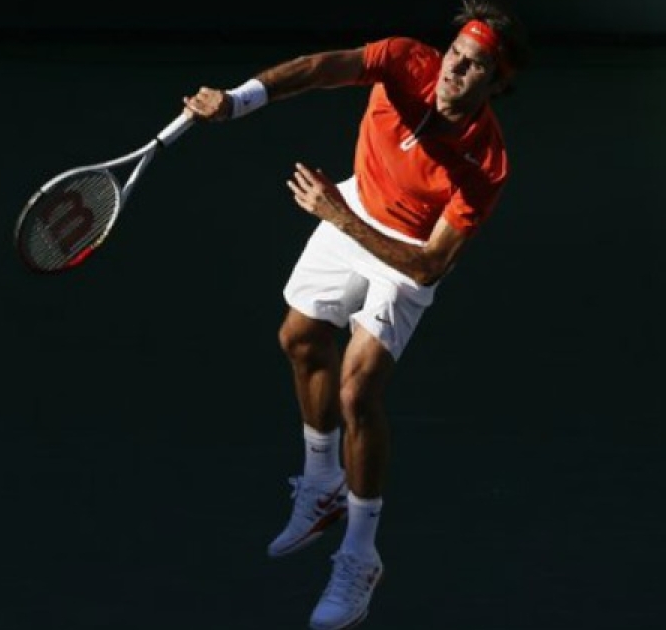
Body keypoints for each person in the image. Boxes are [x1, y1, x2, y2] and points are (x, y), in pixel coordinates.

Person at [181, 2, 530, 629]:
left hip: (405, 253)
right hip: (356, 204)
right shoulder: (404, 60)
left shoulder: (486, 162)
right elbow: (319, 68)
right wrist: (238, 101)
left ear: (496, 83)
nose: (454, 69)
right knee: (298, 337)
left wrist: (336, 216)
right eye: (455, 53)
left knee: (357, 391)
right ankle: (322, 486)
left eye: (474, 66)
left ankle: (360, 556)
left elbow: (429, 266)